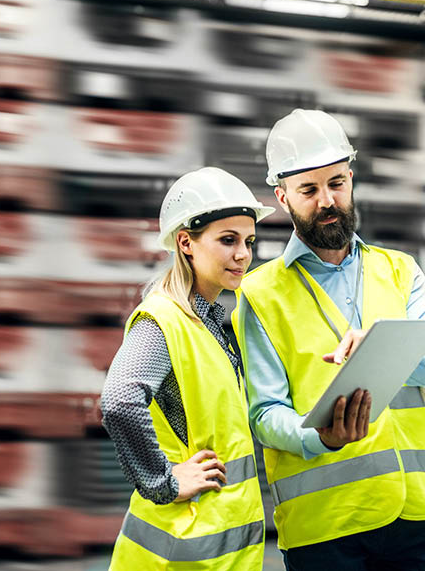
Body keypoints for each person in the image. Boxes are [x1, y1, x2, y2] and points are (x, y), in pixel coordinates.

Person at [232, 109, 425, 571]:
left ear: (351, 179)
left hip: (419, 513)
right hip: (326, 527)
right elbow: (265, 413)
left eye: (336, 183)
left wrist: (384, 347)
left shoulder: (399, 270)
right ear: (281, 197)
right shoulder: (259, 294)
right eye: (309, 190)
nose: (327, 201)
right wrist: (319, 437)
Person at [101, 167, 275, 571]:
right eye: (228, 241)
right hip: (179, 549)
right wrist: (164, 481)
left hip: (214, 547)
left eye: (249, 241)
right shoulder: (164, 318)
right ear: (186, 243)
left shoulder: (208, 320)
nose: (243, 254)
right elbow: (120, 401)